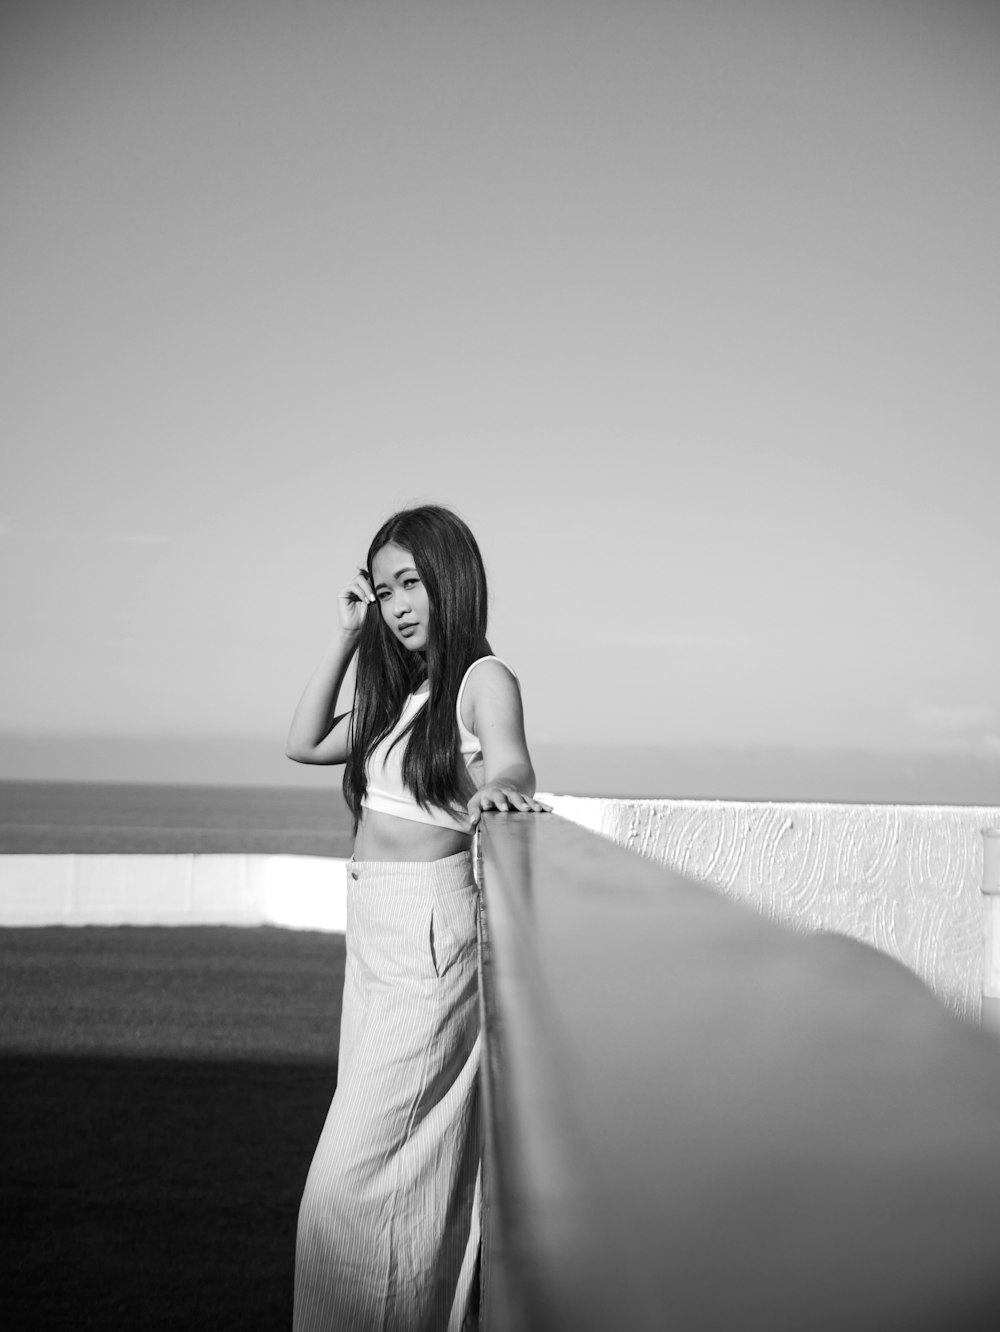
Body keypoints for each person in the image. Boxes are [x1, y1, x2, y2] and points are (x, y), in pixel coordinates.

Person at [286, 503, 549, 1332]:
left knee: (340, 1193)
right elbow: (302, 742)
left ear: (450, 580)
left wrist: (506, 786)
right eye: (383, 588)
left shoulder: (481, 681)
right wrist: (344, 636)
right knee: (398, 1170)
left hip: (431, 935)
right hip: (375, 931)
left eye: (410, 584)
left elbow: (508, 756)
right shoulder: (401, 691)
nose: (397, 605)